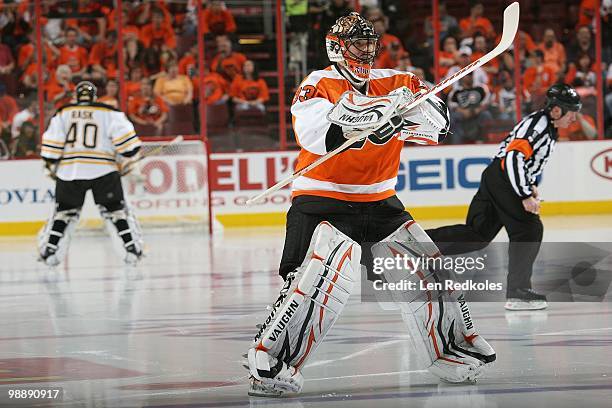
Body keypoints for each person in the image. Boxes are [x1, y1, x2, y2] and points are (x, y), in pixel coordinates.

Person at [245, 12, 495, 398]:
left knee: (428, 269)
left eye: (370, 42)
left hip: (379, 199)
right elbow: (316, 133)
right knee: (314, 281)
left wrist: (403, 114)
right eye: (357, 43)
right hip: (320, 196)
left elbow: (438, 123)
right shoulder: (318, 83)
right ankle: (272, 360)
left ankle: (452, 349)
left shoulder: (399, 81)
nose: (367, 50)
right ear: (336, 47)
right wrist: (368, 117)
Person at [426, 84, 582, 311]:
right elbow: (513, 158)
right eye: (573, 112)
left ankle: (416, 246)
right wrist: (525, 193)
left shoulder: (546, 127)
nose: (574, 118)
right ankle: (517, 293)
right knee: (529, 229)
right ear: (557, 111)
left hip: (497, 176)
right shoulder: (539, 125)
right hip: (503, 177)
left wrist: (529, 184)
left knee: (477, 234)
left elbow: (521, 160)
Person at [38, 81, 144, 267]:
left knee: (64, 213)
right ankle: (132, 250)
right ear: (95, 97)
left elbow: (50, 152)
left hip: (70, 171)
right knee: (116, 211)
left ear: (76, 97)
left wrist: (50, 165)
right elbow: (129, 148)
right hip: (103, 170)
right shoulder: (110, 113)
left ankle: (49, 252)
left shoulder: (63, 113)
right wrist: (125, 158)